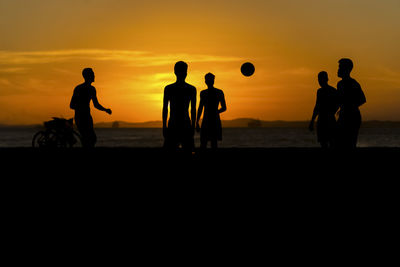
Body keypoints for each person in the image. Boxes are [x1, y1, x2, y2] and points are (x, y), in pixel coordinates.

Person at [70, 68, 112, 148]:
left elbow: (96, 104)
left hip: (88, 117)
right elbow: (71, 105)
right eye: (92, 74)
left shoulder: (92, 89)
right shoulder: (79, 88)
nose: (94, 75)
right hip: (80, 117)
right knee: (88, 138)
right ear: (88, 76)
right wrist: (82, 107)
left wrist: (105, 110)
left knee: (91, 139)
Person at [162, 61, 197, 151]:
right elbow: (193, 110)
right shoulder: (191, 89)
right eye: (183, 71)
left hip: (177, 124)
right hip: (180, 124)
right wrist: (193, 126)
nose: (184, 73)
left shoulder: (169, 88)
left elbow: (193, 109)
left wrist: (164, 126)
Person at [336, 58, 366, 148]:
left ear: (346, 69)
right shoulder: (339, 84)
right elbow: (339, 100)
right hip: (343, 115)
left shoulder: (353, 83)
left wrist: (349, 107)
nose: (338, 70)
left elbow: (362, 99)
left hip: (352, 117)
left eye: (340, 67)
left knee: (350, 143)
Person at [196, 73, 227, 149]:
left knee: (210, 143)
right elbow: (200, 108)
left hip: (212, 120)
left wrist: (197, 121)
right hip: (209, 119)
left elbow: (224, 107)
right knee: (207, 143)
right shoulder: (204, 93)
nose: (209, 81)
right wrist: (197, 121)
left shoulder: (217, 92)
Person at [309, 71, 339, 148]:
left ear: (326, 79)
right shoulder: (320, 91)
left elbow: (338, 103)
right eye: (319, 79)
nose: (319, 81)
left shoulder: (332, 91)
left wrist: (332, 111)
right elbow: (317, 107)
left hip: (328, 119)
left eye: (321, 79)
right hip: (323, 119)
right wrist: (312, 120)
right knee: (324, 143)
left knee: (331, 142)